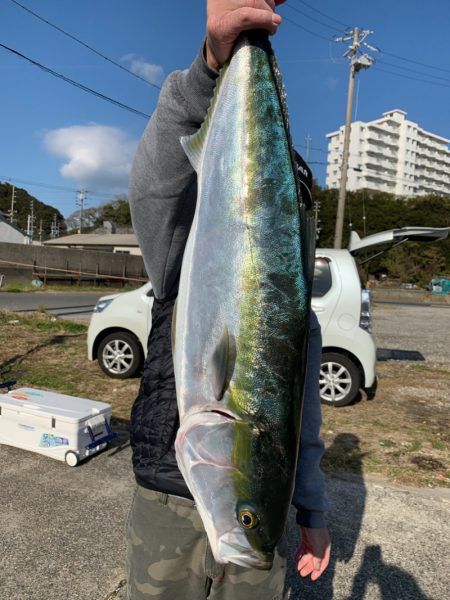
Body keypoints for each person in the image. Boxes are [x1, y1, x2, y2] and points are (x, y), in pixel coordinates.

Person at [127, 1, 331, 598]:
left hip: (250, 505)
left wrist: (311, 510)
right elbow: (154, 183)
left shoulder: (294, 316)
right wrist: (215, 59)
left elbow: (302, 421)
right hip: (168, 496)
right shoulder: (178, 257)